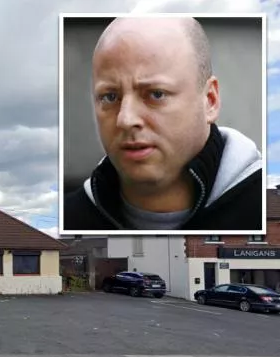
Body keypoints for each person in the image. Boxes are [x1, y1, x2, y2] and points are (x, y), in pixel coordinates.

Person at [64, 17, 262, 231]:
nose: (126, 119)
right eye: (110, 97)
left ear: (210, 100)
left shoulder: (262, 207)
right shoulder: (71, 216)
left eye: (156, 94)